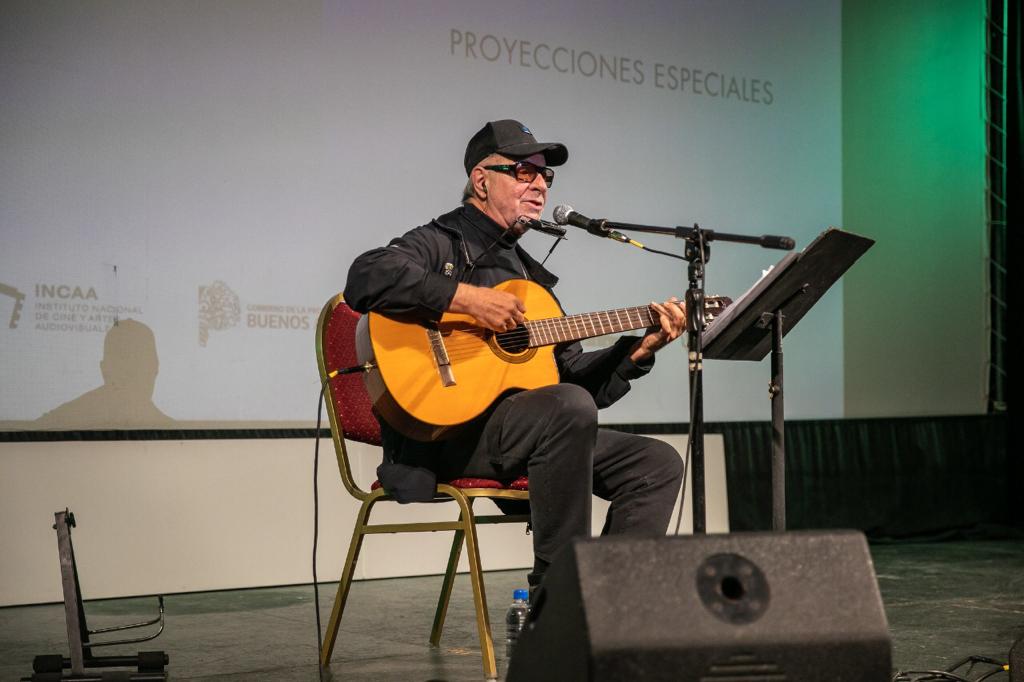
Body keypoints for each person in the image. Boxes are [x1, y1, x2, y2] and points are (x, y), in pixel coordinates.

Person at [344, 119, 686, 589]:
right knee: (567, 409)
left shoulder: (531, 280)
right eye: (525, 172)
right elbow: (365, 277)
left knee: (655, 463)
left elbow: (574, 386)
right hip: (443, 437)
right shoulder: (441, 240)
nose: (541, 185)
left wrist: (637, 351)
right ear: (482, 180)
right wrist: (468, 300)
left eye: (546, 176)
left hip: (526, 437)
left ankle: (612, 599)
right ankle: (557, 593)